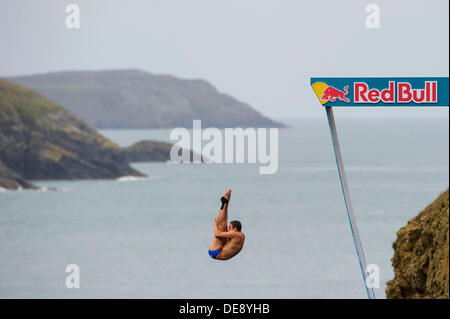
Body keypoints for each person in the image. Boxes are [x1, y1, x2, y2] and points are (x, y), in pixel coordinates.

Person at [208, 189, 245, 260]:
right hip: (221, 250)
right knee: (224, 225)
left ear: (235, 229)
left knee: (220, 226)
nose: (229, 229)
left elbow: (217, 234)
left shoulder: (235, 234)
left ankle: (224, 204)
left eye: (230, 228)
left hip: (215, 252)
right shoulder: (241, 235)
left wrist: (215, 224)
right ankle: (225, 203)